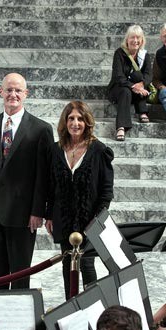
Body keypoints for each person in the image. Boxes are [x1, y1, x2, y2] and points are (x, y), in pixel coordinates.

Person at [0, 73, 54, 289]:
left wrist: (38, 211)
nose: (13, 94)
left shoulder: (41, 129)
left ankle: (18, 319)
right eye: (9, 90)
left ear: (26, 94)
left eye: (18, 90)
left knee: (20, 277)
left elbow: (43, 175)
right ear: (1, 92)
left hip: (23, 215)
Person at [45, 100, 114, 299]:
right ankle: (71, 305)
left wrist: (97, 220)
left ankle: (91, 306)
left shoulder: (99, 150)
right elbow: (51, 186)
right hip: (64, 218)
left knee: (86, 263)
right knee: (68, 264)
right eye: (71, 118)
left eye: (80, 119)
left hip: (89, 219)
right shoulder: (55, 150)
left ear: (87, 122)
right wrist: (49, 215)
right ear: (65, 122)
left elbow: (106, 190)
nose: (75, 123)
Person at [107, 24, 152, 141]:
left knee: (139, 77)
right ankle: (121, 127)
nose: (135, 41)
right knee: (126, 91)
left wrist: (141, 85)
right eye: (132, 37)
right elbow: (119, 76)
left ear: (142, 40)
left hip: (136, 91)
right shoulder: (119, 53)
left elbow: (148, 74)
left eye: (138, 38)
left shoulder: (144, 55)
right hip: (118, 89)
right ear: (127, 39)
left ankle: (142, 110)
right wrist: (134, 87)